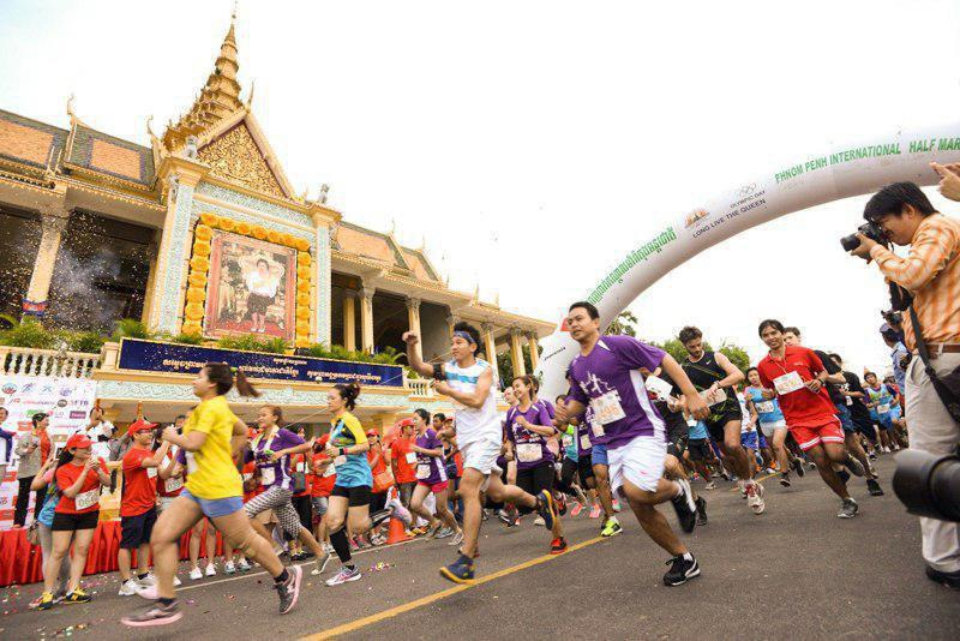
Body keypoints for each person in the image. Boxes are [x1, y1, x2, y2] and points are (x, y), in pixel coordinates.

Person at [121, 363, 301, 627]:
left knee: (245, 541)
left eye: (199, 376)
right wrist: (233, 453)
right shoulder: (211, 410)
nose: (194, 380)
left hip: (218, 488)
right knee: (161, 535)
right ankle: (167, 604)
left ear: (212, 384)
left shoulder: (212, 407)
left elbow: (194, 443)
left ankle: (285, 577)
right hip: (196, 487)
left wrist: (171, 437)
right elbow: (241, 430)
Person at [850, 177, 960, 586]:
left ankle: (943, 559)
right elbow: (907, 295)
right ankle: (944, 557)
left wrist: (878, 251)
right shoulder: (931, 239)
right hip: (941, 362)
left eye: (883, 222)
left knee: (931, 462)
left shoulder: (937, 227)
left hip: (943, 361)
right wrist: (882, 260)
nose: (883, 232)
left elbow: (913, 275)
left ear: (909, 210)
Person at [555, 302, 707, 586]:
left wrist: (692, 394)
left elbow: (664, 359)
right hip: (613, 442)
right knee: (637, 504)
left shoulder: (617, 345)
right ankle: (684, 559)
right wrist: (565, 412)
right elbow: (579, 402)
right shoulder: (576, 365)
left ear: (595, 321)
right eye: (569, 321)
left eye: (579, 318)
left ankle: (678, 489)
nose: (573, 324)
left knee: (639, 489)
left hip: (641, 430)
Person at [404, 322, 559, 583]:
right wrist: (411, 346)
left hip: (486, 438)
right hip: (467, 442)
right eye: (452, 342)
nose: (453, 346)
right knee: (498, 491)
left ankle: (466, 559)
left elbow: (477, 400)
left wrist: (448, 390)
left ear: (473, 346)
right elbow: (419, 366)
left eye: (459, 342)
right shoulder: (448, 369)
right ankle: (538, 502)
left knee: (467, 489)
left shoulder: (484, 369)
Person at [755, 320, 860, 518]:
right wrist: (768, 394)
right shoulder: (763, 366)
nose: (771, 338)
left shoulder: (804, 352)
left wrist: (819, 381)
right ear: (762, 339)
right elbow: (770, 389)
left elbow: (823, 371)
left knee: (835, 454)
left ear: (781, 332)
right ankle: (847, 500)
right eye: (766, 335)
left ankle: (847, 458)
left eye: (774, 333)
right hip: (796, 418)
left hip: (821, 411)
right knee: (820, 460)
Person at [678, 326, 764, 515]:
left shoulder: (716, 357)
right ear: (685, 346)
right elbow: (683, 394)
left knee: (732, 444)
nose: (697, 349)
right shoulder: (683, 367)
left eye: (699, 344)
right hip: (709, 414)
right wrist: (683, 404)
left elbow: (738, 375)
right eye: (692, 347)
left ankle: (750, 486)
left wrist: (718, 384)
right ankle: (745, 478)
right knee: (726, 455)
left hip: (729, 407)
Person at [244, 406, 329, 574]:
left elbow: (306, 446)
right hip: (270, 488)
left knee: (245, 512)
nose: (259, 418)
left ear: (275, 417)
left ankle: (274, 546)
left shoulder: (282, 434)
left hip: (281, 487)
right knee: (294, 526)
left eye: (263, 415)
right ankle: (321, 553)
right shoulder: (258, 439)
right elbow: (245, 459)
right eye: (258, 415)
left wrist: (284, 451)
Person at [323, 383, 391, 586]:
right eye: (327, 398)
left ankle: (391, 510)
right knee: (332, 522)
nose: (328, 401)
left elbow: (363, 445)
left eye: (332, 398)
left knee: (359, 527)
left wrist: (341, 452)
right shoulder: (334, 422)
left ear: (344, 401)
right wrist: (326, 459)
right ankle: (349, 569)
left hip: (359, 478)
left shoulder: (350, 420)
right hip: (342, 478)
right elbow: (338, 450)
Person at [36, 434, 111, 610]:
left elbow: (107, 482)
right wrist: (85, 471)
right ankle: (48, 592)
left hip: (89, 512)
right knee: (59, 551)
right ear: (72, 450)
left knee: (82, 550)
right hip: (66, 513)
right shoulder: (63, 470)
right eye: (84, 447)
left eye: (89, 446)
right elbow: (70, 493)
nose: (88, 450)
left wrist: (98, 470)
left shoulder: (97, 461)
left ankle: (73, 589)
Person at [504, 377, 568, 552]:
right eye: (513, 387)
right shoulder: (510, 413)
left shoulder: (538, 408)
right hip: (523, 464)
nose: (515, 389)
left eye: (518, 386)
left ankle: (558, 539)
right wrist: (509, 450)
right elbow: (509, 438)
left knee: (545, 497)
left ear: (528, 387)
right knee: (524, 505)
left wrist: (528, 425)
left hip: (542, 462)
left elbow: (550, 430)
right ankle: (547, 505)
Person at [118, 418, 170, 596]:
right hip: (133, 507)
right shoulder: (133, 455)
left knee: (145, 541)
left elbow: (156, 474)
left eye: (151, 431)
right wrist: (169, 441)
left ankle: (143, 573)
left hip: (148, 505)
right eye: (146, 431)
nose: (150, 433)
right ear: (135, 435)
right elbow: (156, 462)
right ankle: (125, 581)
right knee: (127, 544)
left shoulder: (148, 453)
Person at [408, 408, 463, 544]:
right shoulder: (418, 437)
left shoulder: (431, 434)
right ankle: (435, 522)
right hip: (424, 476)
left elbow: (439, 452)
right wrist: (417, 463)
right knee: (414, 504)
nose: (413, 422)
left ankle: (458, 531)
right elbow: (423, 456)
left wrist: (420, 450)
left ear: (424, 420)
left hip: (438, 475)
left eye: (416, 419)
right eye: (413, 419)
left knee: (442, 508)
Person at [27, 455, 71, 609]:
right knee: (64, 554)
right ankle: (63, 589)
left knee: (49, 554)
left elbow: (34, 485)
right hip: (69, 516)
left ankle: (49, 592)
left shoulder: (54, 471)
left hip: (49, 516)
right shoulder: (75, 471)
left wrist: (45, 466)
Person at [744, 368, 801, 487]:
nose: (754, 377)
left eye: (756, 375)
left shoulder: (769, 385)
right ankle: (794, 460)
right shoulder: (748, 390)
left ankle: (785, 474)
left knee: (776, 445)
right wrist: (750, 420)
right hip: (765, 423)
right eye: (751, 376)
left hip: (779, 419)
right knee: (779, 447)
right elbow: (752, 410)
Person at [14, 412, 52, 527]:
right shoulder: (27, 435)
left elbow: (50, 451)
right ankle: (19, 522)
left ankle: (38, 521)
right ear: (38, 421)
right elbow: (18, 450)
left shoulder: (49, 436)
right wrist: (27, 451)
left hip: (43, 471)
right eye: (46, 420)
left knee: (42, 498)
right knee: (23, 498)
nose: (48, 422)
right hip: (28, 471)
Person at [388, 419, 418, 508]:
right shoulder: (396, 443)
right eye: (411, 427)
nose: (413, 429)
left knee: (415, 505)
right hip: (404, 480)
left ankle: (413, 522)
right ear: (404, 428)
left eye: (414, 427)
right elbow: (393, 463)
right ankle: (405, 522)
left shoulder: (415, 441)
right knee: (405, 505)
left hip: (416, 478)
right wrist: (396, 478)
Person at [0, 407, 14, 484]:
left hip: (2, 462)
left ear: (6, 416)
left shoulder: (10, 426)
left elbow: (9, 435)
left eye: (2, 413)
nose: (0, 415)